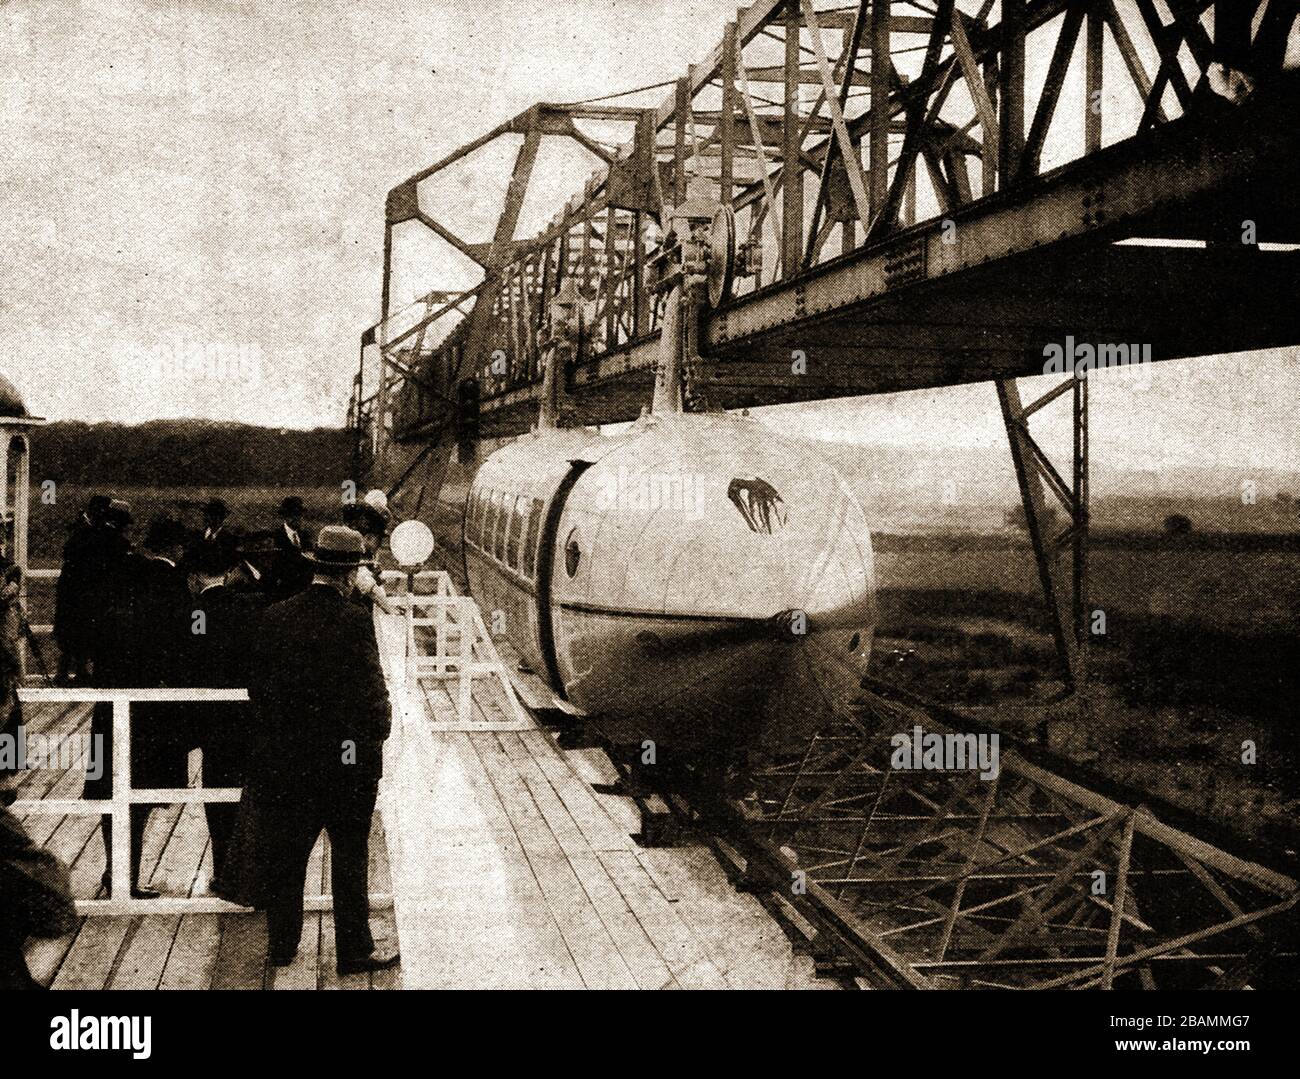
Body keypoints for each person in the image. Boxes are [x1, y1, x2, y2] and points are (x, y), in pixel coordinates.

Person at [229, 526, 397, 974]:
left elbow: (257, 688)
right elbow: (371, 694)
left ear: (316, 567)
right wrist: (374, 739)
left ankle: (282, 946)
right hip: (346, 765)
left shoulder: (275, 615)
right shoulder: (355, 620)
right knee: (349, 857)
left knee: (287, 856)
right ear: (349, 575)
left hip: (286, 764)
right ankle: (354, 950)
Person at [83, 501, 186, 899]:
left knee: (112, 788)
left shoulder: (121, 573)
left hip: (111, 702)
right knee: (138, 793)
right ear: (176, 549)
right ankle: (124, 875)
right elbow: (179, 645)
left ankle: (117, 872)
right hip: (150, 708)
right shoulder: (171, 583)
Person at [186, 547, 263, 890]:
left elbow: (195, 655)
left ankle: (223, 871)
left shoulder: (198, 612)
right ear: (230, 572)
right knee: (249, 794)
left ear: (197, 577)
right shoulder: (247, 607)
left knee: (217, 796)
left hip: (213, 719)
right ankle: (249, 872)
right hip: (247, 714)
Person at [53, 494, 111, 683]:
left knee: (75, 632)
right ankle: (73, 672)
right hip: (78, 591)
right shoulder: (86, 532)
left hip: (76, 591)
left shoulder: (84, 530)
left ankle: (74, 671)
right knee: (76, 631)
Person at [267, 495, 312, 600]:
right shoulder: (276, 537)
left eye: (299, 515)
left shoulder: (305, 536)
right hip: (284, 591)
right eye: (292, 515)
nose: (297, 518)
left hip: (304, 591)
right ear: (284, 517)